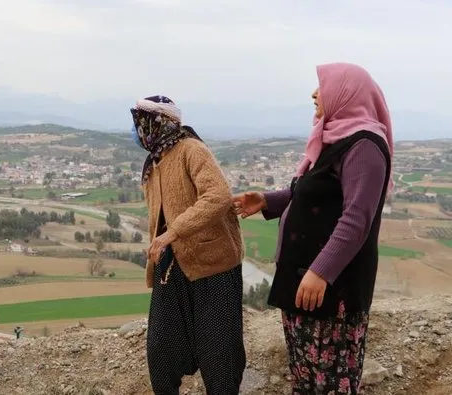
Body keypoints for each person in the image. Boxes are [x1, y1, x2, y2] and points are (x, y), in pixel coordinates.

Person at [233, 63, 393, 394]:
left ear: (347, 93)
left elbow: (357, 217)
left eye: (322, 86)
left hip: (333, 289)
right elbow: (314, 193)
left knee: (331, 382)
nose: (315, 93)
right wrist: (266, 201)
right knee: (306, 378)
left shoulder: (364, 146)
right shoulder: (337, 139)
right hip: (306, 281)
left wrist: (321, 271)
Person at [133, 95, 246, 395]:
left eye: (141, 121)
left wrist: (174, 233)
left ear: (159, 123)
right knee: (160, 347)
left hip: (213, 265)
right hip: (171, 266)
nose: (137, 128)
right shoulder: (154, 162)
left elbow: (218, 197)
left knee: (219, 351)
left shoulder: (191, 150)